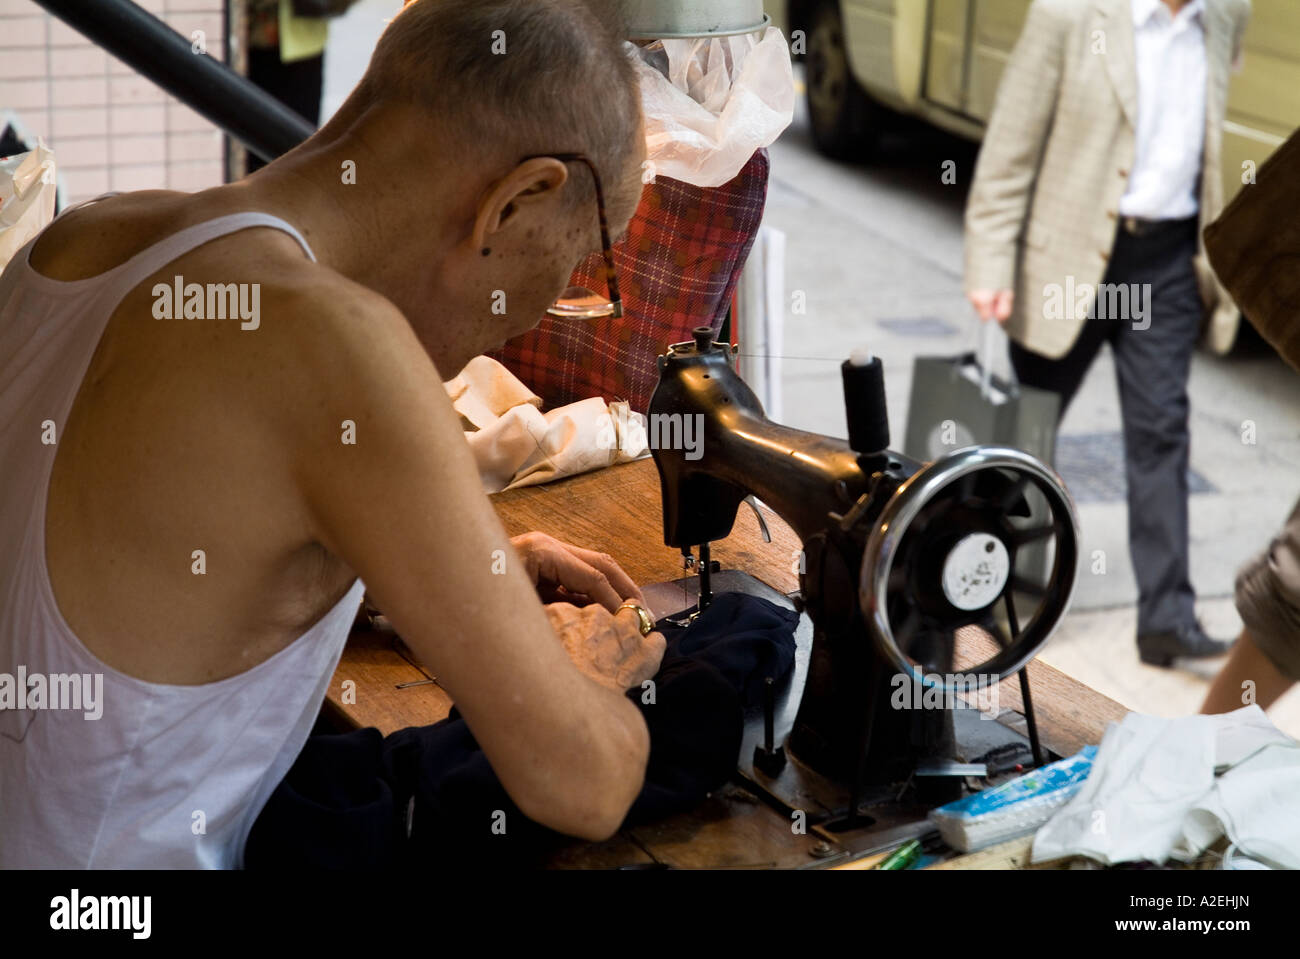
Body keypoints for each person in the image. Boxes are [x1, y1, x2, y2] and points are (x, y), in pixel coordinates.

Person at [0, 0, 662, 868]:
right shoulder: (341, 347)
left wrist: (444, 575)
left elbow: (156, 558)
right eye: (576, 264)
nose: (540, 313)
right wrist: (582, 676)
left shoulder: (86, 238)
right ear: (518, 200)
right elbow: (586, 782)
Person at [964, 0, 1251, 667]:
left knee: (1161, 429)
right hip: (1069, 258)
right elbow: (1010, 147)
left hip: (1167, 262)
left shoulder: (1224, 15)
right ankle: (984, 587)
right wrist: (991, 262)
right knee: (1028, 432)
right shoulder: (1067, 15)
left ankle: (1166, 617)